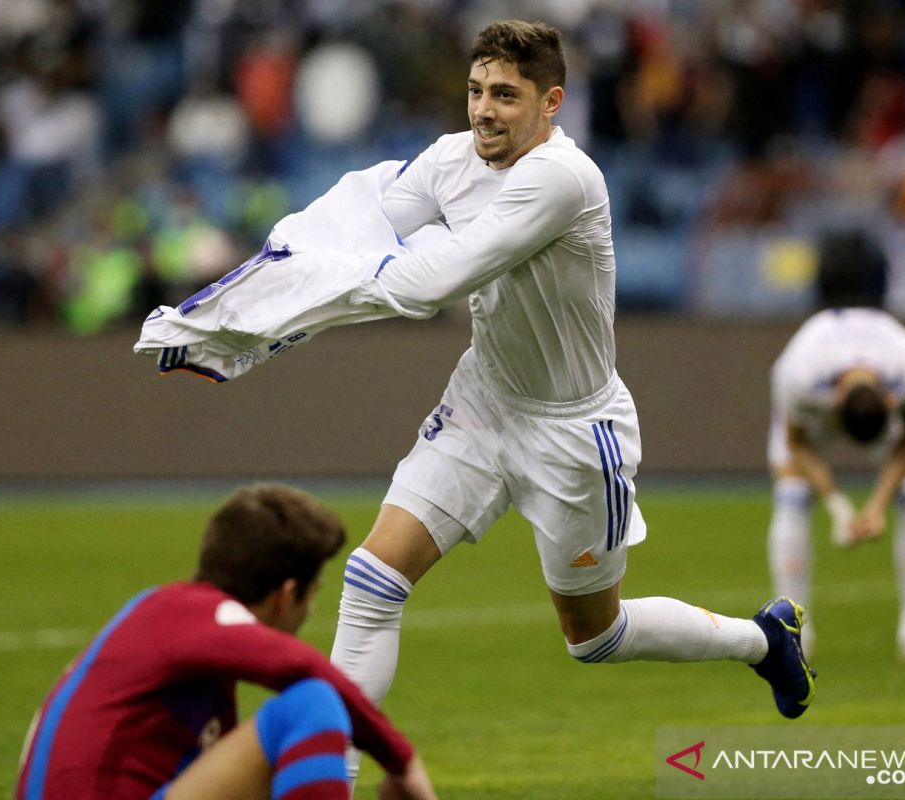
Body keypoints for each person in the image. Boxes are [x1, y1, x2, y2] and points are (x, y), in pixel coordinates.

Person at [327, 19, 816, 782]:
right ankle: (333, 784)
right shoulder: (453, 159)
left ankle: (762, 642)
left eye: (506, 96)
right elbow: (361, 225)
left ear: (550, 103)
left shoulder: (565, 178)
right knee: (371, 579)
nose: (484, 111)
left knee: (596, 637)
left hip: (573, 435)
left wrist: (298, 314)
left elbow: (434, 281)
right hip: (485, 399)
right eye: (476, 91)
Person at [14, 483, 436, 800]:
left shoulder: (161, 611)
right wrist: (402, 760)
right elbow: (303, 668)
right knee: (313, 703)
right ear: (286, 596)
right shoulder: (207, 616)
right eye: (311, 596)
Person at [766, 307, 905, 667]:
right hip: (811, 397)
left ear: (891, 402)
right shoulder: (801, 378)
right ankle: (794, 638)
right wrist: (837, 505)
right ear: (835, 406)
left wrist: (876, 506)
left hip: (873, 388)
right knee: (791, 495)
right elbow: (798, 443)